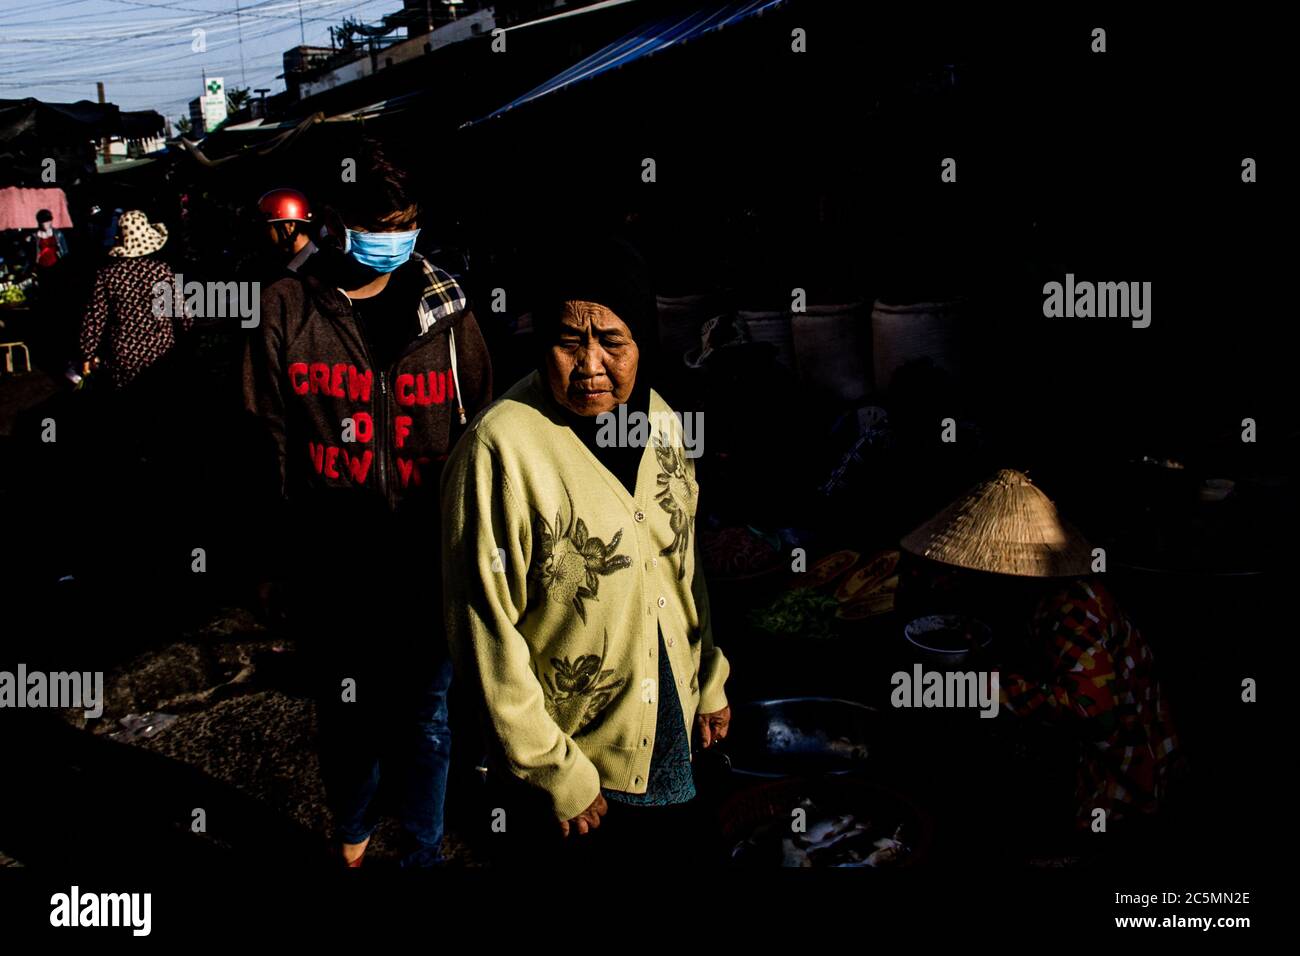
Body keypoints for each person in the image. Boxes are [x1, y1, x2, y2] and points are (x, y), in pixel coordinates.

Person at [441, 237, 731, 867]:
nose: (591, 363)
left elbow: (684, 567)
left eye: (612, 340)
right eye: (569, 341)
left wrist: (711, 677)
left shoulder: (658, 419)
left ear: (643, 341)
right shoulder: (500, 448)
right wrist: (554, 771)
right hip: (579, 758)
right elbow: (484, 630)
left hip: (671, 719)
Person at [242, 142, 493, 867]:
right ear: (333, 222)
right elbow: (267, 437)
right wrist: (272, 559)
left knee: (425, 716)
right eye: (377, 222)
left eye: (407, 221)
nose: (393, 238)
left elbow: (484, 423)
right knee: (348, 716)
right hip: (333, 556)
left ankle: (420, 850)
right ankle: (350, 840)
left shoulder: (445, 305)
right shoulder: (287, 307)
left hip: (428, 554)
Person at [900, 468, 1182, 840]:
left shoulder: (1075, 608)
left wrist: (986, 688)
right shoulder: (1024, 597)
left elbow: (1093, 711)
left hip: (1121, 765)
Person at [78, 210, 189, 390]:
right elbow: (182, 314)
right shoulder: (161, 272)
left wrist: (87, 353)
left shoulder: (107, 276)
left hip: (123, 358)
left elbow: (94, 320)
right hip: (160, 354)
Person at [256, 187, 325, 280]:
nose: (265, 234)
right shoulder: (286, 264)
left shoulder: (315, 271)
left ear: (290, 226)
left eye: (269, 227)